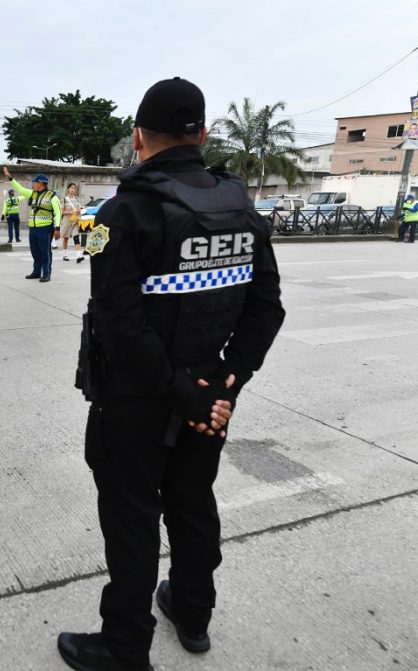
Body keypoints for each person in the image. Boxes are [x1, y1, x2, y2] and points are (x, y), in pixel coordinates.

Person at [60, 77, 285, 671]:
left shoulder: (122, 212)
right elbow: (266, 308)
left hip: (139, 399)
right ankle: (192, 611)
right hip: (211, 395)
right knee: (192, 503)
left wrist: (185, 395)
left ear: (138, 137)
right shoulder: (241, 208)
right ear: (202, 134)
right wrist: (226, 383)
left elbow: (119, 324)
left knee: (132, 517)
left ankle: (124, 645)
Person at [3, 167, 61, 282]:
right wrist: (10, 177)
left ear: (41, 183)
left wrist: (57, 228)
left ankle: (46, 273)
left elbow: (58, 212)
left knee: (45, 252)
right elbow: (20, 189)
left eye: (35, 182)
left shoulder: (52, 196)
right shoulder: (32, 194)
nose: (33, 184)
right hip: (33, 228)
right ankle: (36, 272)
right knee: (35, 251)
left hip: (45, 228)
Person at [61, 183, 83, 261]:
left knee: (76, 237)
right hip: (67, 221)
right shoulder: (64, 199)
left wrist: (80, 210)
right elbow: (62, 211)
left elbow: (80, 208)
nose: (73, 189)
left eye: (74, 188)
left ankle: (78, 256)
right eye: (71, 188)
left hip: (75, 221)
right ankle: (65, 255)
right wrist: (71, 212)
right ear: (68, 189)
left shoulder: (77, 199)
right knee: (66, 238)